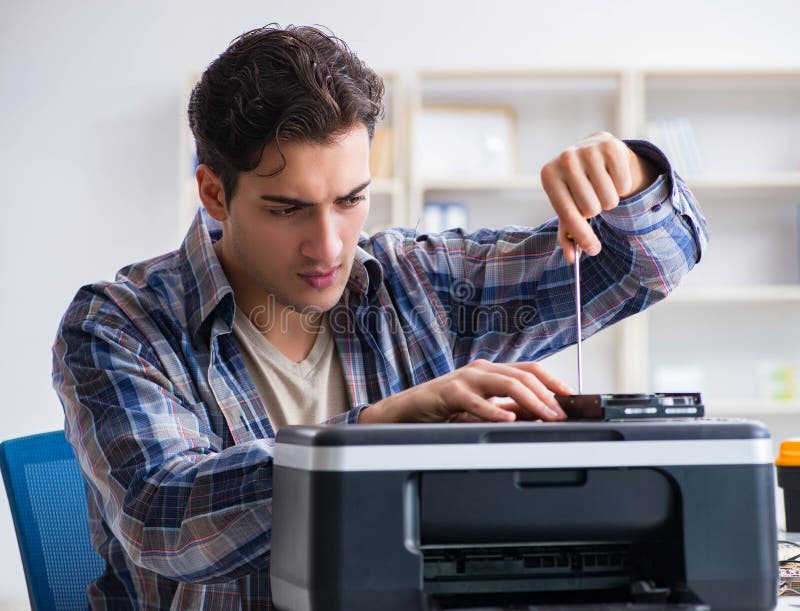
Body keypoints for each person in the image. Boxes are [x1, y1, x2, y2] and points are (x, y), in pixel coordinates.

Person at [52, 23, 707, 611]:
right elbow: (164, 519)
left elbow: (642, 267)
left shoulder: (414, 283)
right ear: (214, 193)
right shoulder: (120, 326)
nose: (330, 245)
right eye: (288, 209)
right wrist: (379, 429)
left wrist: (632, 175)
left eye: (350, 199)